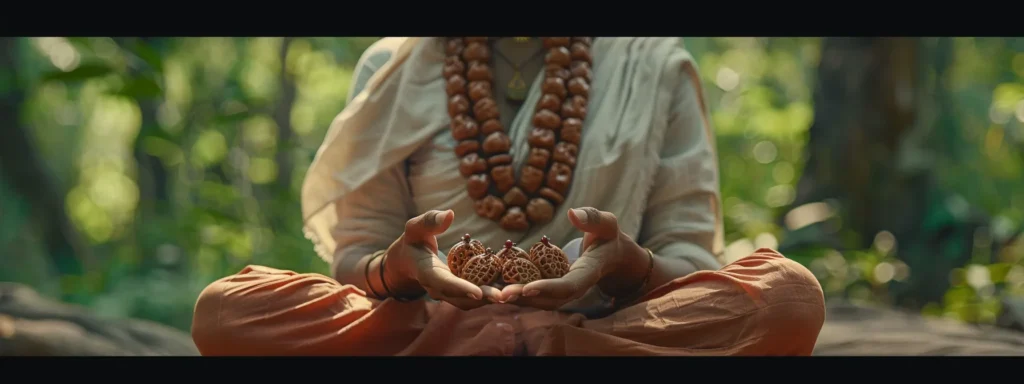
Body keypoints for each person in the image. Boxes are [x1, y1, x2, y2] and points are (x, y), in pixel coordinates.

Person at [190, 37, 826, 356]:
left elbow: (689, 254)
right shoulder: (396, 61)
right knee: (225, 308)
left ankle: (550, 344)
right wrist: (400, 269)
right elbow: (358, 255)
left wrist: (624, 263)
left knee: (789, 295)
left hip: (604, 318)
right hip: (431, 320)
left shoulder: (651, 62)